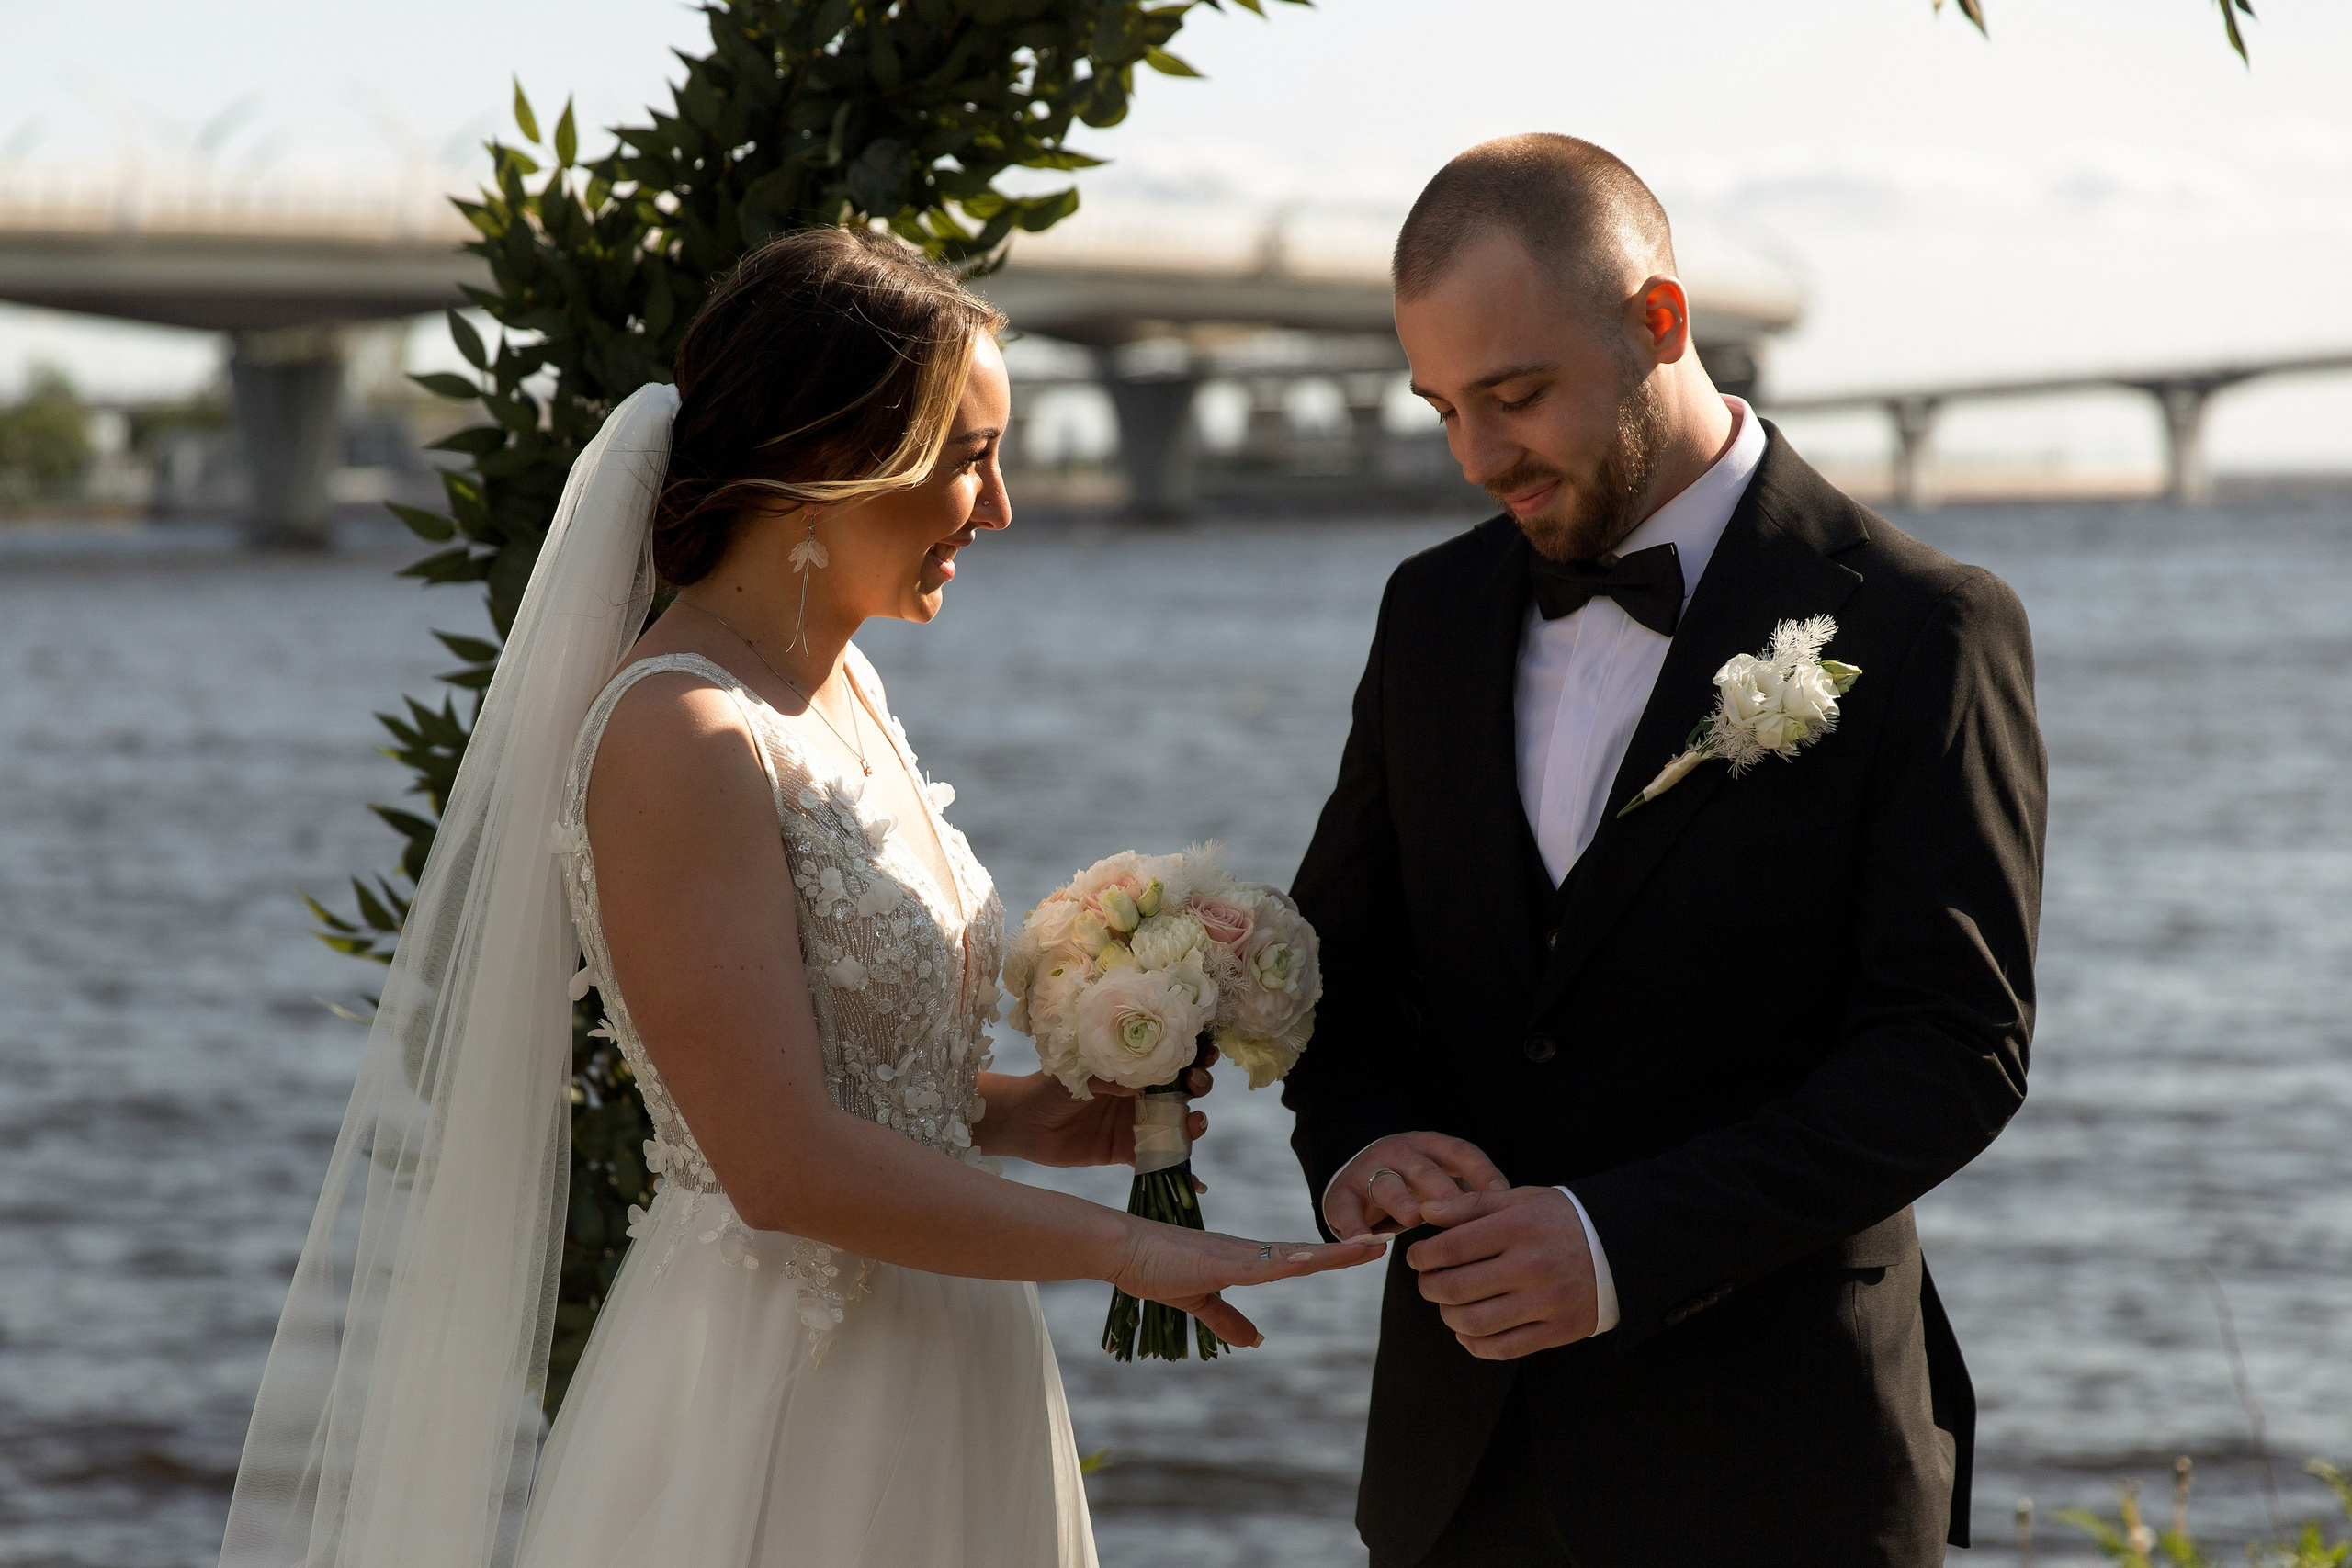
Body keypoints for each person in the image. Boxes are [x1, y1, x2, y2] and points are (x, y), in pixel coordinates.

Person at [218, 227, 1383, 1568]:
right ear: (831, 465)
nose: (997, 507)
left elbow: (850, 1086)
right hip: (781, 1388)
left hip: (951, 1350)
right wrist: (1127, 1253)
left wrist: (1035, 1120)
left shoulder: (842, 690)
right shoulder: (684, 733)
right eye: (966, 458)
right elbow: (773, 1164)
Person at [1283, 134, 2046, 1568]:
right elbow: (1345, 966)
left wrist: (1615, 1245)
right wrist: (1363, 1142)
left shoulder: (1923, 624)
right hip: (1462, 1477)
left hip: (1784, 1479)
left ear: (1661, 323)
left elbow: (1952, 1050)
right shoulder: (1430, 609)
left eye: (1515, 396)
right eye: (1443, 407)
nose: (1478, 456)